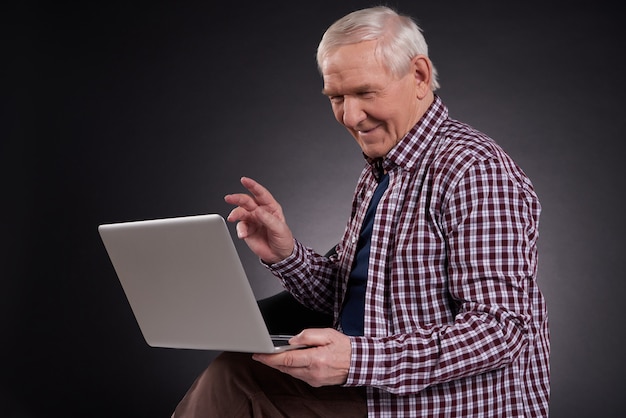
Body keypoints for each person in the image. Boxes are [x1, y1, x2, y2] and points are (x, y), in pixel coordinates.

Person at [173, 6, 550, 417]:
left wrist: (356, 360)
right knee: (234, 372)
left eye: (366, 93)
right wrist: (284, 254)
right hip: (372, 387)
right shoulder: (381, 171)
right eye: (337, 98)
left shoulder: (473, 170)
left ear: (419, 76)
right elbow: (352, 300)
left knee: (233, 383)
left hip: (439, 404)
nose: (350, 117)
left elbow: (501, 330)